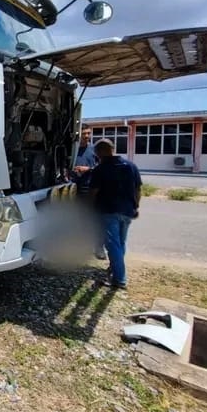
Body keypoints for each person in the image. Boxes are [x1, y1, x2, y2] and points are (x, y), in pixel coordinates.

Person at [89, 138, 142, 290]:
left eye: (96, 152)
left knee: (113, 245)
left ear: (100, 152)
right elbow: (138, 189)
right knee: (120, 243)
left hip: (108, 211)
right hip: (127, 211)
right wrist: (136, 206)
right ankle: (114, 269)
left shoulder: (100, 169)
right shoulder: (131, 166)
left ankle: (120, 280)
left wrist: (90, 207)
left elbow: (93, 192)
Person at [72, 124, 107, 260]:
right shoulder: (72, 149)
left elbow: (103, 166)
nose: (87, 136)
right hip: (73, 189)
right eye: (84, 133)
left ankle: (99, 248)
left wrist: (88, 169)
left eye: (88, 133)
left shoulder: (94, 150)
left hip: (90, 188)